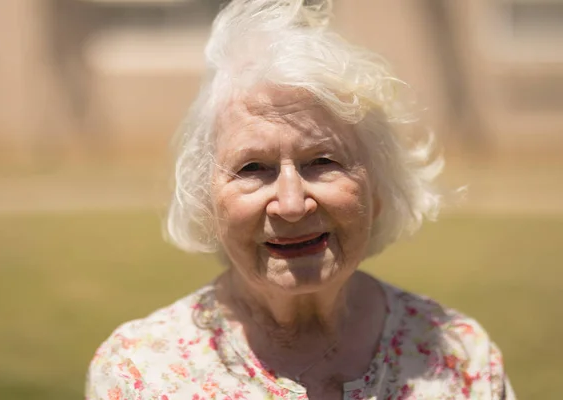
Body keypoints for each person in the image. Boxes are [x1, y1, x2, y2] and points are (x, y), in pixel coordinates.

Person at [86, 1, 515, 399]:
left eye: (322, 161)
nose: (292, 205)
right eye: (253, 168)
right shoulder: (142, 370)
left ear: (379, 186)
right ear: (206, 201)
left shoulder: (458, 359)